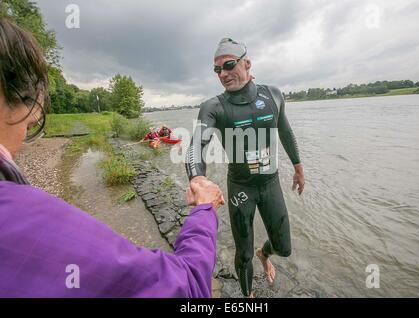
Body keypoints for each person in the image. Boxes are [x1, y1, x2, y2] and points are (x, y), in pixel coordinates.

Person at [0, 19, 225, 298]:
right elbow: (185, 286)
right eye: (32, 123)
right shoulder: (18, 213)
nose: (27, 131)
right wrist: (204, 210)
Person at [185, 38, 305, 297]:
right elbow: (197, 144)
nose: (223, 74)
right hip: (241, 187)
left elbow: (285, 131)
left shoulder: (273, 94)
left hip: (270, 183)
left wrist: (298, 168)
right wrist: (198, 179)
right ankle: (248, 296)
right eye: (217, 70)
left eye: (229, 65)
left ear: (247, 63)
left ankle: (266, 254)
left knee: (283, 247)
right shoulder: (214, 107)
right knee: (244, 254)